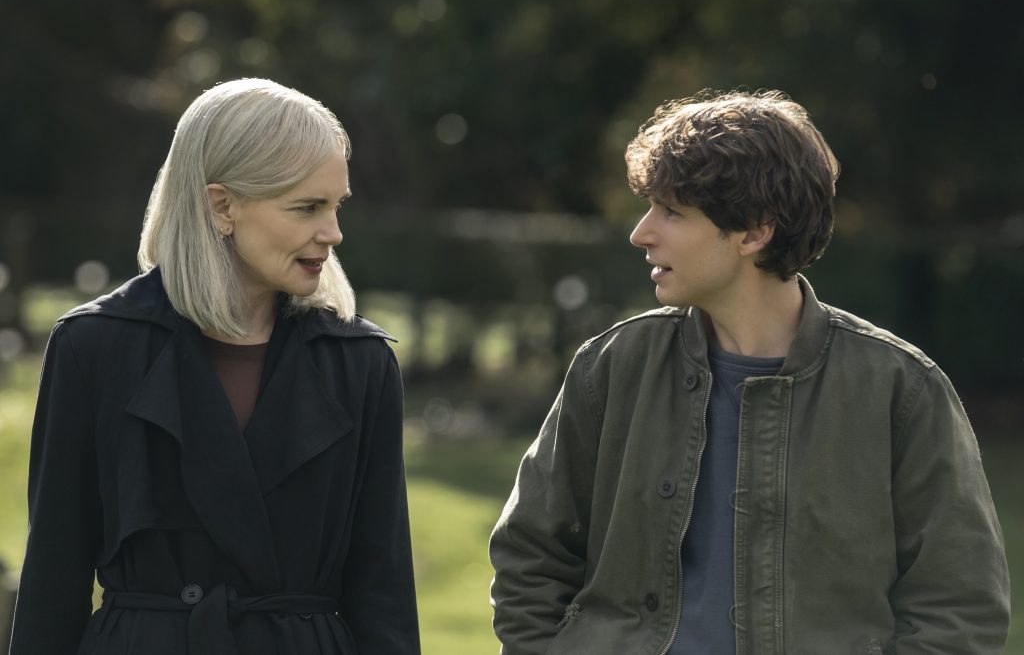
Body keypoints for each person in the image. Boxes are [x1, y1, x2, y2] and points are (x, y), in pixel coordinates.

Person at [489, 90, 1010, 654]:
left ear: (754, 232)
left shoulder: (901, 390)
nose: (641, 232)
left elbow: (959, 607)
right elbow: (530, 556)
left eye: (672, 212)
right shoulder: (612, 367)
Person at [9, 79, 420, 655]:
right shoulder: (93, 348)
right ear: (222, 205)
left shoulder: (360, 363)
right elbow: (53, 581)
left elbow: (384, 595)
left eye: (336, 205)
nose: (333, 232)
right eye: (307, 207)